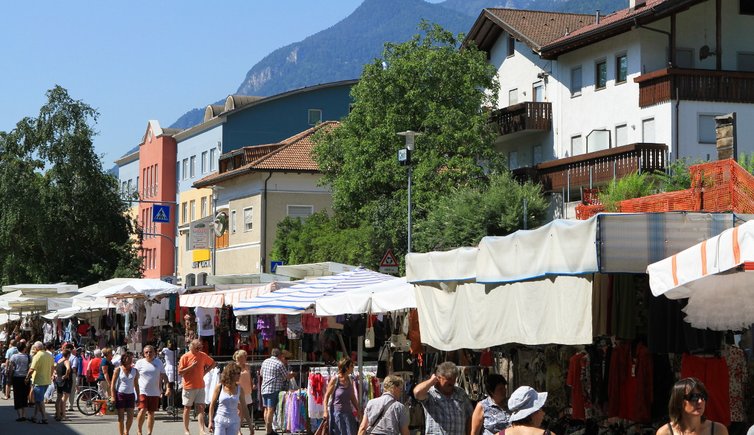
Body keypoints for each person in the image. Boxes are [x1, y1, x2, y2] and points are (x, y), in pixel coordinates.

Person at [413, 361, 473, 435]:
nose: (452, 382)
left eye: (454, 378)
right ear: (439, 378)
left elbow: (470, 417)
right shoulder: (430, 393)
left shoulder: (461, 393)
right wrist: (431, 381)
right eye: (449, 378)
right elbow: (417, 393)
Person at [655, 378, 728, 435]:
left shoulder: (718, 430)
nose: (700, 401)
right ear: (679, 401)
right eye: (694, 397)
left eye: (703, 397)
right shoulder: (665, 432)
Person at [178, 338, 216, 435]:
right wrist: (191, 367)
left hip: (200, 386)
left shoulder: (202, 355)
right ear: (191, 347)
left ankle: (201, 430)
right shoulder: (185, 357)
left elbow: (213, 363)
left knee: (201, 408)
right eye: (197, 347)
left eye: (200, 347)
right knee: (187, 408)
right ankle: (186, 429)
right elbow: (180, 372)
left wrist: (205, 372)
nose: (199, 349)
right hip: (188, 386)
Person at [208, 362, 253, 435]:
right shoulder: (219, 387)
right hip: (220, 420)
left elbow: (244, 407)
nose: (239, 375)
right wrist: (210, 421)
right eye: (237, 373)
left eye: (240, 373)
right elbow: (212, 405)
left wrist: (250, 425)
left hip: (234, 421)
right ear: (231, 374)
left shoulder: (240, 389)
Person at [136, 345, 171, 435]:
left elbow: (164, 376)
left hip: (155, 392)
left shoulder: (158, 362)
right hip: (142, 391)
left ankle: (149, 432)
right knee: (143, 410)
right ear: (144, 354)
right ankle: (139, 431)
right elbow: (134, 376)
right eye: (146, 352)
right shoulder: (140, 363)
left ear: (154, 353)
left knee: (151, 412)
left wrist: (168, 387)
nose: (149, 354)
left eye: (150, 352)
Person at [260, 348, 295, 435]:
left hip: (264, 388)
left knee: (266, 409)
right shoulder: (279, 364)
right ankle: (269, 431)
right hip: (273, 389)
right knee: (271, 410)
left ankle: (268, 428)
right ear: (279, 355)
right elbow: (286, 376)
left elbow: (261, 373)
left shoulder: (265, 361)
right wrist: (294, 374)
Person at [323, 358, 360, 435]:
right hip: (337, 414)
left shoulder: (350, 379)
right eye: (351, 366)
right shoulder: (335, 380)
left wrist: (359, 410)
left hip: (348, 414)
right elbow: (326, 396)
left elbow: (352, 397)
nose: (353, 367)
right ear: (346, 367)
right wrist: (325, 411)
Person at [111, 351, 140, 435]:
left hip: (130, 395)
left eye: (131, 358)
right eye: (128, 358)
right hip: (120, 394)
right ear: (123, 359)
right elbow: (112, 385)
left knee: (130, 417)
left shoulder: (135, 371)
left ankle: (126, 431)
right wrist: (113, 396)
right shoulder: (118, 369)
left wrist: (138, 396)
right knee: (121, 417)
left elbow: (136, 385)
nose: (130, 360)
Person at [26, 341, 54, 424]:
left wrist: (27, 377)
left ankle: (44, 418)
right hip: (46, 380)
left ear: (37, 348)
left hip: (39, 381)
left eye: (34, 347)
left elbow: (32, 369)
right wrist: (50, 375)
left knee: (40, 400)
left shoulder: (37, 356)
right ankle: (34, 416)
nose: (34, 349)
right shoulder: (49, 355)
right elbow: (52, 367)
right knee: (38, 400)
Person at [8, 341, 31, 421]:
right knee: (25, 396)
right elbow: (30, 367)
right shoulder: (28, 356)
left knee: (17, 396)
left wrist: (10, 378)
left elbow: (11, 368)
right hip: (25, 378)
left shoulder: (14, 357)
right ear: (24, 348)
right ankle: (24, 414)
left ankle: (20, 416)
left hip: (16, 377)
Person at [233, 349, 255, 430]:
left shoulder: (247, 366)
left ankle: (238, 428)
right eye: (244, 356)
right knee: (239, 411)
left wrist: (252, 384)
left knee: (243, 412)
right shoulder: (235, 367)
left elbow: (249, 377)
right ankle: (237, 429)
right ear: (239, 358)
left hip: (247, 390)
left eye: (246, 356)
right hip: (237, 391)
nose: (246, 358)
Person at [53, 347, 72, 421]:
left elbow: (55, 367)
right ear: (68, 355)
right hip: (64, 381)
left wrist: (56, 374)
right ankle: (63, 415)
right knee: (64, 398)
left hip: (58, 380)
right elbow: (68, 369)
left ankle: (57, 414)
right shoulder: (66, 361)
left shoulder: (59, 360)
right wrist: (67, 375)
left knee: (58, 398)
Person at [68, 346, 82, 411]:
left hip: (65, 374)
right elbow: (74, 368)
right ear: (73, 352)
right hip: (71, 374)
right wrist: (75, 375)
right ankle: (70, 406)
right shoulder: (75, 358)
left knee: (66, 391)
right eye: (75, 351)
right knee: (72, 390)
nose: (76, 352)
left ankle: (63, 404)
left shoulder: (66, 357)